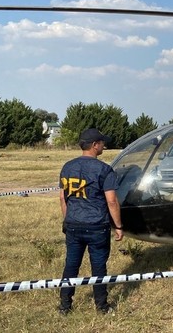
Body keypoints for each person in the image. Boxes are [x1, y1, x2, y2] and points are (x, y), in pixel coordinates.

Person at [59, 128, 124, 315]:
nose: (105, 145)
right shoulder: (104, 170)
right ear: (95, 145)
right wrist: (118, 226)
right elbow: (112, 201)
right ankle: (102, 306)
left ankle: (65, 305)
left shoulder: (67, 167)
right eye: (102, 143)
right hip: (97, 227)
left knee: (71, 264)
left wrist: (67, 220)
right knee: (98, 266)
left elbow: (63, 199)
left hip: (73, 224)